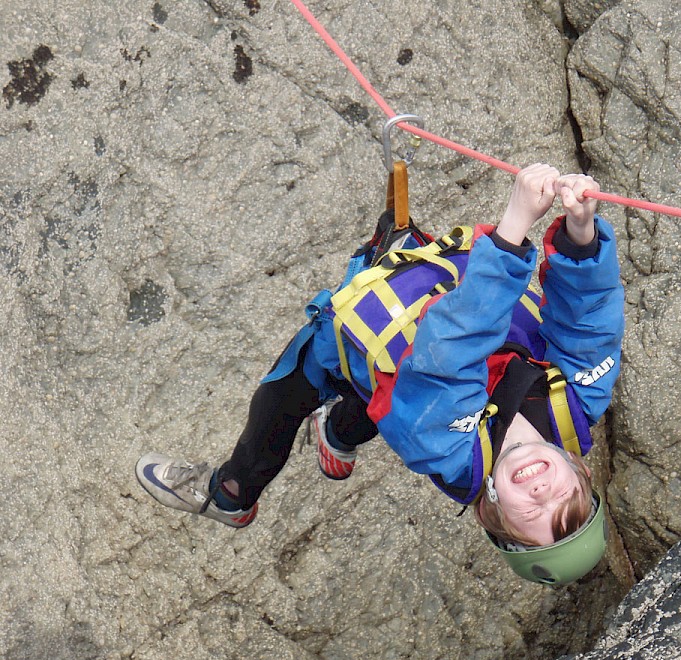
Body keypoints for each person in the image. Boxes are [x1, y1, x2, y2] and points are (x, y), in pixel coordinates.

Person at [136, 164, 625, 585]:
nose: (542, 493)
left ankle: (231, 494)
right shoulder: (579, 403)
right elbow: (591, 320)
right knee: (375, 407)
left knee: (284, 394)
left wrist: (512, 229)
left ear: (492, 510)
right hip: (425, 294)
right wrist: (581, 236)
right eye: (563, 496)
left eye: (532, 515)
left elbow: (450, 358)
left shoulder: (446, 450)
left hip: (367, 341)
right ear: (580, 471)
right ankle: (336, 435)